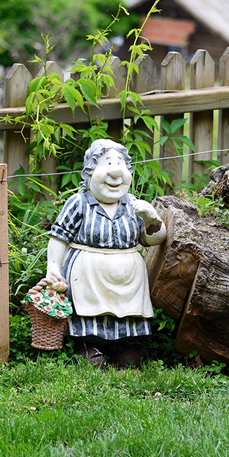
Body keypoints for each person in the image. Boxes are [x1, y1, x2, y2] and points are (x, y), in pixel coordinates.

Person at [46, 139, 167, 367]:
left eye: (121, 164)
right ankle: (86, 348)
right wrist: (53, 266)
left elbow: (153, 239)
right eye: (108, 163)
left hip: (128, 281)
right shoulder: (79, 203)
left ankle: (124, 350)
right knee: (89, 315)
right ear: (89, 172)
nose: (116, 171)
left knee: (126, 316)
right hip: (89, 279)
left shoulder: (132, 204)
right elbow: (59, 236)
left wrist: (152, 219)